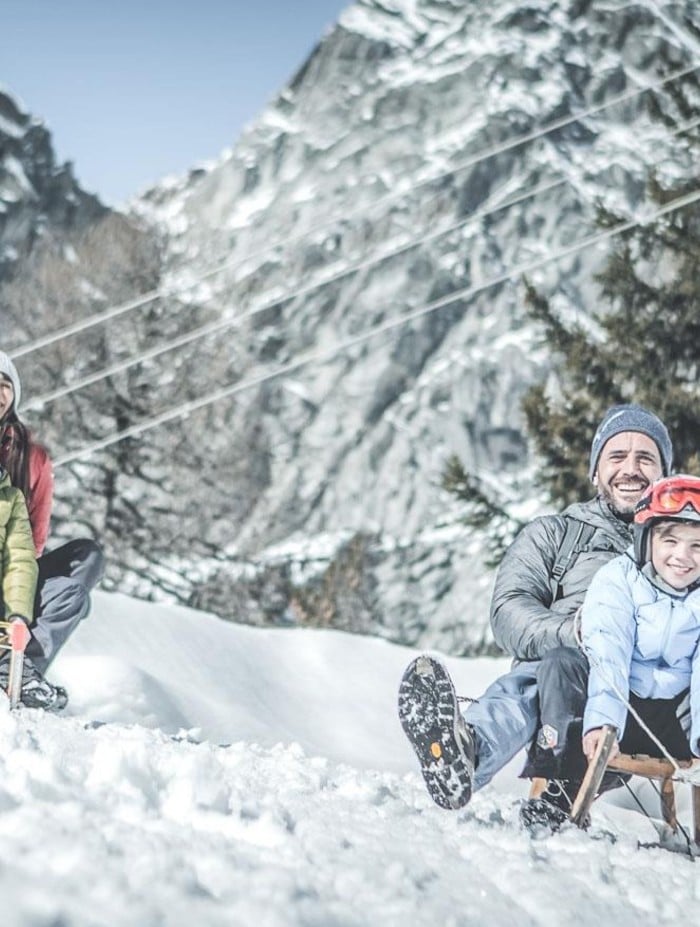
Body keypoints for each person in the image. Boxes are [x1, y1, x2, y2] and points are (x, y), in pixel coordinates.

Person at [398, 403, 673, 813]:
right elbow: (509, 610)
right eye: (616, 456)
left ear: (664, 475)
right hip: (566, 682)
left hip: (647, 697)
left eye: (645, 458)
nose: (630, 469)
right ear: (595, 471)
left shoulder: (682, 551)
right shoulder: (556, 535)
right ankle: (466, 753)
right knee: (544, 671)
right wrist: (575, 632)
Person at [520, 473, 700, 829]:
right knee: (561, 664)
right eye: (670, 540)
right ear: (647, 539)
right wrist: (603, 719)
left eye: (698, 545)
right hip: (621, 705)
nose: (683, 556)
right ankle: (558, 788)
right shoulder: (618, 579)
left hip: (677, 720)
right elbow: (609, 649)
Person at [0, 351, 104, 709]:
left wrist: (17, 605)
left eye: (5, 386)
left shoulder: (32, 459)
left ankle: (18, 670)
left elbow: (32, 539)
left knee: (79, 576)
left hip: (14, 566)